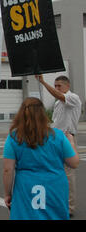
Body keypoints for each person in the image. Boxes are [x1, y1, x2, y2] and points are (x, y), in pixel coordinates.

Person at [3, 97, 79, 220]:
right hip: (54, 185)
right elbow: (74, 163)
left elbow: (8, 170)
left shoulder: (14, 137)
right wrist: (71, 142)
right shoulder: (58, 135)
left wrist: (7, 193)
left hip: (26, 187)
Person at [35, 74, 82, 216]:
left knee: (68, 174)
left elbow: (60, 96)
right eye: (55, 86)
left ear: (67, 86)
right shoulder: (58, 103)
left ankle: (69, 207)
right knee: (55, 172)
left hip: (68, 138)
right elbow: (56, 122)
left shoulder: (73, 98)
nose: (56, 89)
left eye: (59, 86)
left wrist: (43, 82)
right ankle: (57, 202)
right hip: (55, 138)